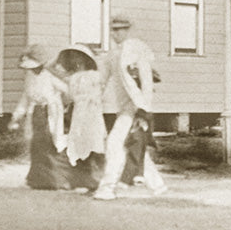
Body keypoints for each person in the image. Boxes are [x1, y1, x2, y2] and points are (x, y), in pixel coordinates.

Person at [93, 16, 167, 200]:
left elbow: (147, 80)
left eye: (120, 29)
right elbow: (102, 79)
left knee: (114, 143)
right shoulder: (112, 53)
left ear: (128, 30)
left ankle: (107, 188)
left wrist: (144, 108)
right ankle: (158, 185)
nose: (115, 33)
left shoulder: (137, 49)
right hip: (124, 106)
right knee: (135, 143)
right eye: (113, 29)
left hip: (136, 105)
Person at [8, 44, 73, 189]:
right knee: (37, 146)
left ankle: (57, 180)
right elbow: (26, 98)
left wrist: (62, 105)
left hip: (50, 113)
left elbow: (68, 91)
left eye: (35, 66)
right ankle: (38, 180)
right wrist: (17, 116)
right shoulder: (30, 77)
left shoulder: (50, 76)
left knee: (52, 144)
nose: (32, 70)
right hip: (36, 114)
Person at [54, 44, 106, 191]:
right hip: (78, 113)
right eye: (73, 57)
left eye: (79, 56)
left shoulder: (95, 76)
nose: (76, 60)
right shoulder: (73, 78)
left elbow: (100, 93)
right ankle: (79, 179)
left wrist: (90, 98)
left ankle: (98, 178)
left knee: (93, 142)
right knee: (78, 142)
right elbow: (69, 96)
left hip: (92, 112)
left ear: (85, 59)